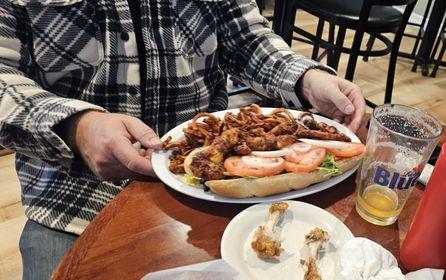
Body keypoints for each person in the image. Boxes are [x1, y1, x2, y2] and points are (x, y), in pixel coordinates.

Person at [0, 0, 366, 279]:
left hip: (215, 189)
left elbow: (247, 38)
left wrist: (304, 78)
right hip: (76, 200)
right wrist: (76, 126)